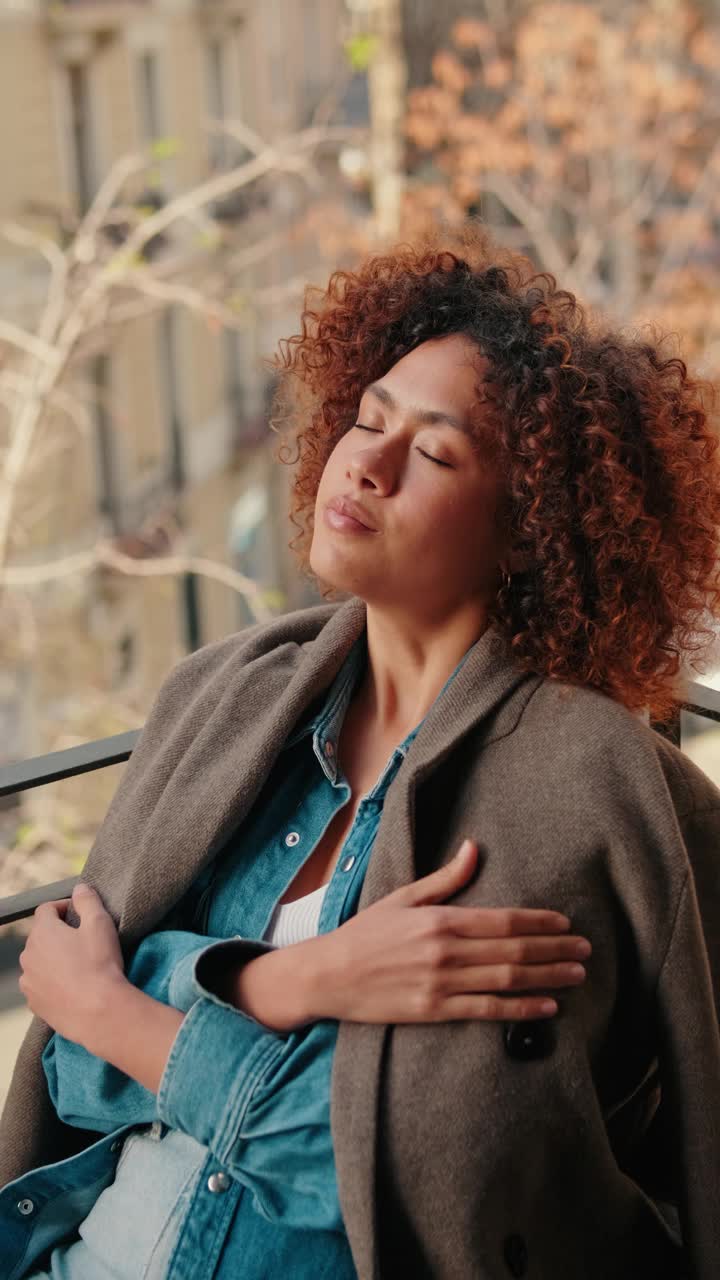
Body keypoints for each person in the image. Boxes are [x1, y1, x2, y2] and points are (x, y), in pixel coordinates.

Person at [2, 224, 720, 1280]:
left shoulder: (579, 792)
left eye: (432, 451)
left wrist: (125, 1011)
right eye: (370, 416)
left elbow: (408, 1182)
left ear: (530, 526)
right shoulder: (223, 694)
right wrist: (298, 980)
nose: (367, 461)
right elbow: (63, 1055)